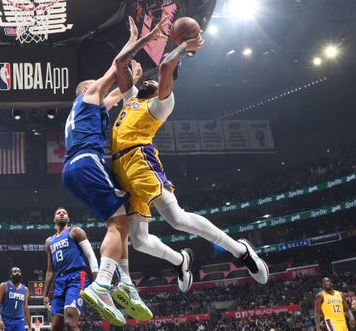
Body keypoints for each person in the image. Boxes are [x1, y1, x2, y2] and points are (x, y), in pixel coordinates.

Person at [109, 22, 269, 288]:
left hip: (140, 161)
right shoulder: (131, 98)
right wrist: (142, 37)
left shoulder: (162, 104)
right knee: (138, 241)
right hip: (121, 171)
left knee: (177, 219)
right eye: (146, 79)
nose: (148, 79)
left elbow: (164, 68)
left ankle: (241, 251)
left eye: (155, 81)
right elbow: (120, 63)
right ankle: (180, 260)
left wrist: (181, 46)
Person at [64, 16, 165, 326]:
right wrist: (139, 39)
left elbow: (119, 94)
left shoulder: (90, 109)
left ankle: (126, 285)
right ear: (87, 89)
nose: (104, 87)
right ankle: (103, 284)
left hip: (73, 171)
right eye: (98, 86)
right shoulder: (89, 93)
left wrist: (132, 77)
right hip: (87, 163)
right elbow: (115, 65)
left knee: (117, 221)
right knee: (118, 223)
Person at [42, 208, 97, 331]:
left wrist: (97, 279)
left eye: (65, 212)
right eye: (58, 212)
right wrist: (44, 293)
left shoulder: (75, 231)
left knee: (71, 321)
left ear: (69, 217)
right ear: (54, 218)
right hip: (60, 283)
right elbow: (50, 270)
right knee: (55, 328)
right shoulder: (49, 241)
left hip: (77, 277)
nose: (62, 213)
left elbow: (90, 255)